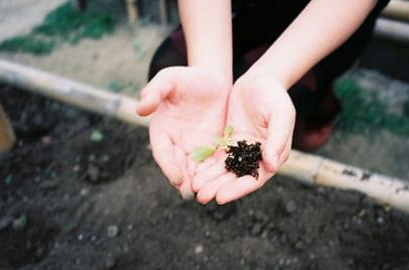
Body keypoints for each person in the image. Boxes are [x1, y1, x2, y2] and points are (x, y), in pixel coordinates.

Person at [136, 0, 389, 205]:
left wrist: (271, 76)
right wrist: (209, 70)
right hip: (245, 9)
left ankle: (318, 108)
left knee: (292, 97)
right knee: (168, 63)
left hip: (324, 21)